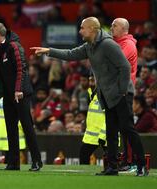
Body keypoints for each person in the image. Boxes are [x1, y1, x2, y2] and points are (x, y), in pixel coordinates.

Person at [31, 17, 148, 176]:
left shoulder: (108, 44)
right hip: (107, 94)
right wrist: (49, 51)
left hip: (121, 94)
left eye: (82, 28)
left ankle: (141, 165)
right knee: (111, 132)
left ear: (93, 29)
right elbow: (70, 54)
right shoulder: (90, 46)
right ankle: (112, 167)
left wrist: (121, 90)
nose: (80, 31)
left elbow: (125, 67)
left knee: (127, 129)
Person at [0, 17, 42, 171]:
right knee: (10, 128)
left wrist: (18, 89)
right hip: (7, 94)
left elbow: (21, 68)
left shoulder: (14, 46)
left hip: (21, 94)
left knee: (27, 127)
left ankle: (37, 161)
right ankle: (13, 163)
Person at [111, 17, 138, 172]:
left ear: (123, 29)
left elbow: (115, 62)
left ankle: (130, 161)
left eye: (115, 26)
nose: (112, 28)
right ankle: (126, 160)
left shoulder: (127, 45)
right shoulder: (118, 44)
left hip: (124, 91)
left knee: (126, 128)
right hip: (118, 91)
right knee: (122, 127)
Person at [79, 74, 107, 165]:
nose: (90, 83)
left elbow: (110, 117)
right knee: (84, 154)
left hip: (106, 134)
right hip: (93, 135)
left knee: (111, 160)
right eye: (90, 81)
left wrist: (103, 135)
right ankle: (85, 175)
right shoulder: (92, 95)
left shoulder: (104, 96)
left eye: (93, 81)